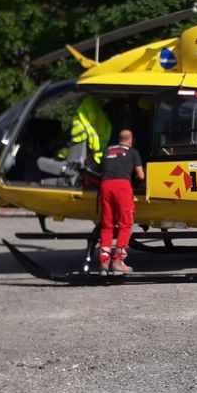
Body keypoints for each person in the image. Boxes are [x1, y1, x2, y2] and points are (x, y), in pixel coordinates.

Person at [37, 95, 112, 185]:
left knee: (39, 161)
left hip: (75, 177)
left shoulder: (80, 132)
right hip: (88, 167)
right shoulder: (103, 127)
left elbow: (72, 170)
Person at [97, 129, 144, 274]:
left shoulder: (107, 151)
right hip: (122, 186)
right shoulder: (133, 152)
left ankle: (104, 262)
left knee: (107, 224)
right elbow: (141, 175)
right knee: (125, 223)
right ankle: (118, 261)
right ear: (131, 139)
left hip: (105, 186)